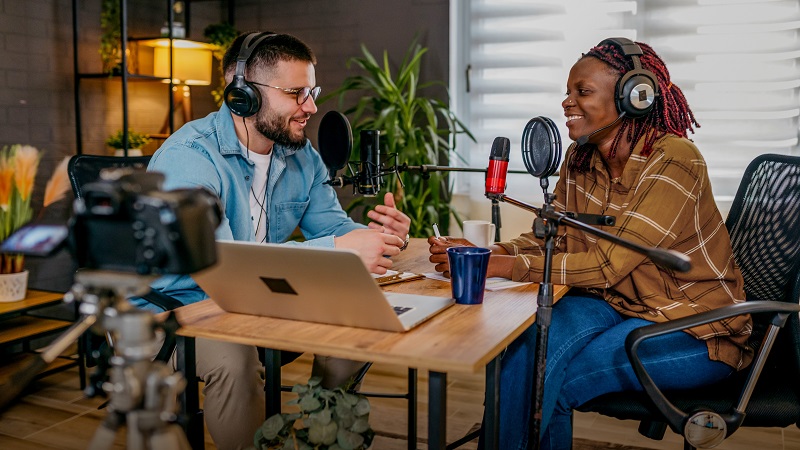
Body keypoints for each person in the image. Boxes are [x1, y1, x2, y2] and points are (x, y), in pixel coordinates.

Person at [428, 38, 753, 450]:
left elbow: (609, 265)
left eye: (582, 92)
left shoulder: (674, 159)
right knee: (528, 351)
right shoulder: (580, 160)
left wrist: (502, 268)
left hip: (696, 330)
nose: (567, 102)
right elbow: (550, 238)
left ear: (634, 97)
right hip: (617, 305)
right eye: (568, 92)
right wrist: (490, 253)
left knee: (554, 381)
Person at [139, 31, 412, 449]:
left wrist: (376, 236)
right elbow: (220, 265)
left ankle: (323, 433)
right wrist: (339, 250)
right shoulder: (188, 159)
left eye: (312, 91)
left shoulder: (300, 154)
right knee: (234, 357)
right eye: (297, 93)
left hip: (257, 296)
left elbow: (332, 228)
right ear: (242, 94)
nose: (312, 107)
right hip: (177, 308)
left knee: (358, 322)